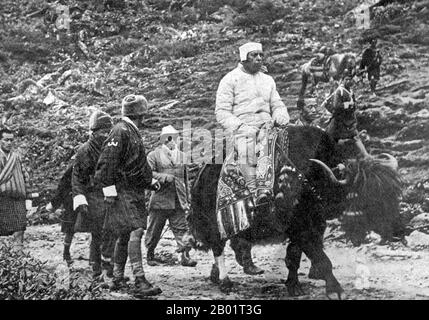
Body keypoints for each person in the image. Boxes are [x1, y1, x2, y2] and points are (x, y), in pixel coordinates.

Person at [215, 42, 290, 275]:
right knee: (249, 154)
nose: (259, 58)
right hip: (243, 128)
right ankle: (260, 192)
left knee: (291, 149)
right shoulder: (230, 79)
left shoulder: (268, 80)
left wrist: (280, 115)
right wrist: (241, 126)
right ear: (244, 58)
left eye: (260, 54)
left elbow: (277, 103)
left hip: (268, 125)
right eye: (254, 55)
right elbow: (222, 111)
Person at [93, 94, 162, 297]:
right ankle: (139, 281)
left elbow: (136, 164)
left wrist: (149, 181)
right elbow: (106, 164)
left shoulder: (129, 130)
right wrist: (110, 190)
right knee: (136, 230)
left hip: (133, 190)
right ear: (141, 114)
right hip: (124, 191)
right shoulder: (121, 131)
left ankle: (116, 277)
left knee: (124, 233)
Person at [72, 110, 116, 281]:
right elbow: (77, 178)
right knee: (98, 234)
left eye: (108, 131)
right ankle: (97, 271)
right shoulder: (84, 151)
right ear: (94, 131)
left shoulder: (112, 149)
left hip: (111, 198)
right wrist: (80, 199)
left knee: (112, 234)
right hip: (94, 198)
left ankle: (108, 270)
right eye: (103, 131)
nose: (106, 135)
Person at [144, 125, 197, 267]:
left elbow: (186, 180)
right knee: (154, 230)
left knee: (182, 229)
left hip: (179, 199)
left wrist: (188, 198)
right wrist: (163, 177)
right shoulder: (153, 155)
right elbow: (148, 174)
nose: (172, 141)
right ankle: (150, 255)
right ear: (163, 140)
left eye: (174, 137)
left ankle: (185, 256)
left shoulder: (182, 156)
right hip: (160, 199)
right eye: (168, 138)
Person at [0, 127, 33, 251]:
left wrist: (28, 198)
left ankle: (18, 262)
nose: (9, 143)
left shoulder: (16, 157)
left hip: (18, 200)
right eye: (6, 140)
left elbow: (25, 177)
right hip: (2, 200)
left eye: (11, 140)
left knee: (19, 230)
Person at [323, 73, 370, 159]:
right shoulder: (339, 91)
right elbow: (336, 106)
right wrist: (347, 104)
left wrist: (353, 105)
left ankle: (365, 155)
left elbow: (354, 103)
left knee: (355, 136)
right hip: (339, 119)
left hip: (349, 118)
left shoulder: (350, 91)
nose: (348, 81)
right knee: (331, 138)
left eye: (350, 80)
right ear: (343, 80)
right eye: (346, 80)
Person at [46, 160, 75, 266]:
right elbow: (62, 186)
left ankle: (94, 258)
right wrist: (55, 203)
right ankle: (66, 252)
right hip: (72, 198)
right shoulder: (73, 167)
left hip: (90, 197)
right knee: (70, 228)